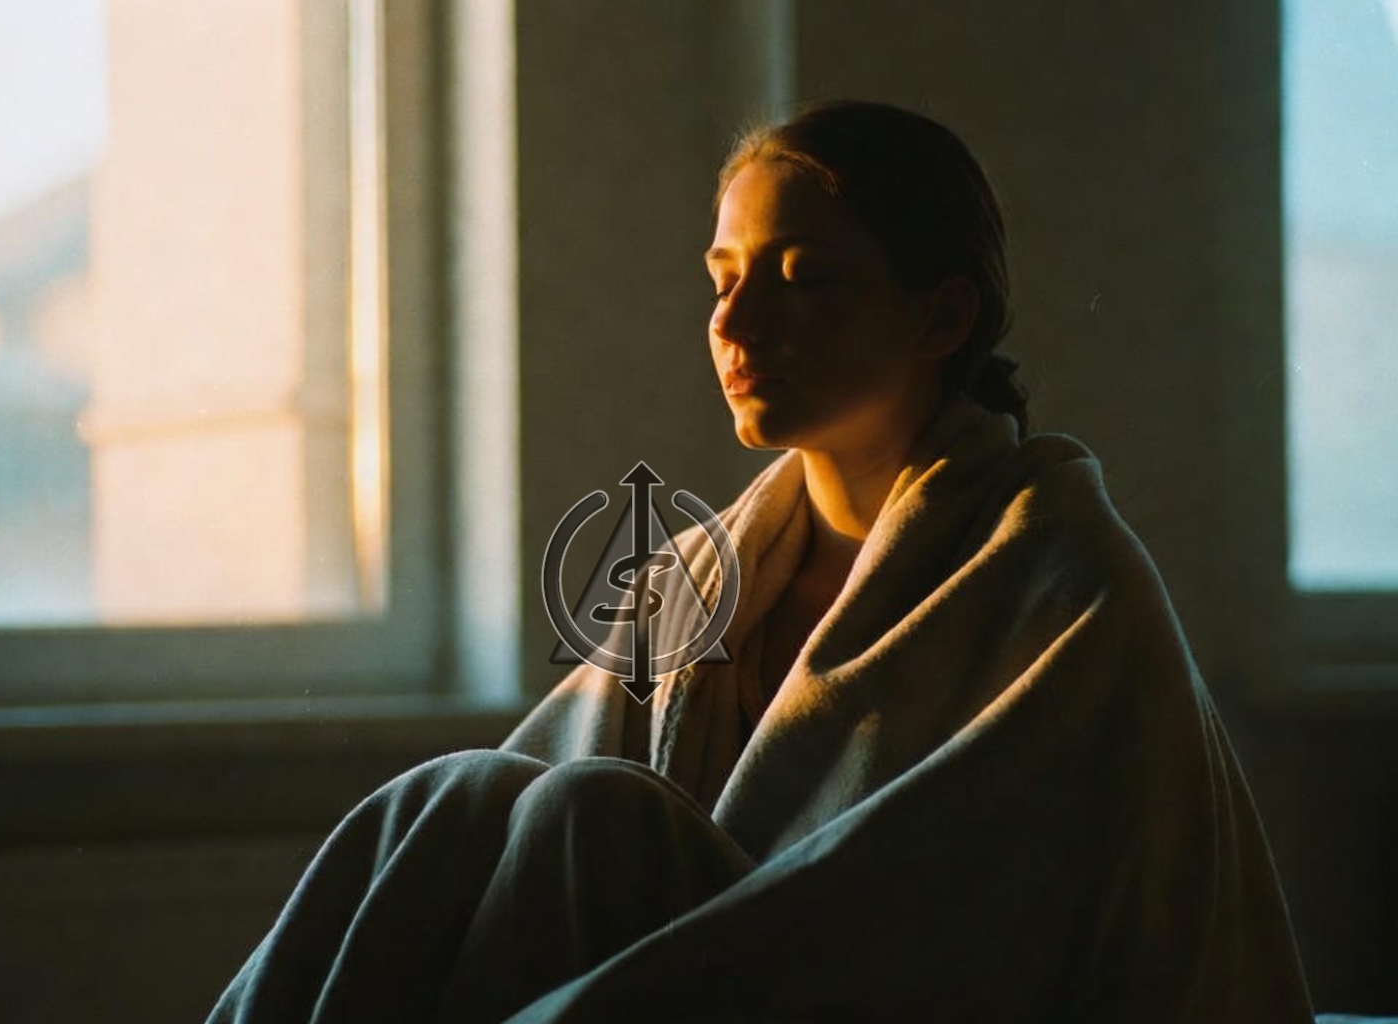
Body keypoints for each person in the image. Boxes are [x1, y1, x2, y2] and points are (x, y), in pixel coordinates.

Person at [204, 99, 1315, 1024]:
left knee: (595, 812)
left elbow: (944, 914)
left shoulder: (1062, 578)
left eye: (802, 277)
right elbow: (526, 833)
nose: (736, 319)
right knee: (467, 797)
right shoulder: (698, 574)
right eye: (723, 275)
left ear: (942, 316)